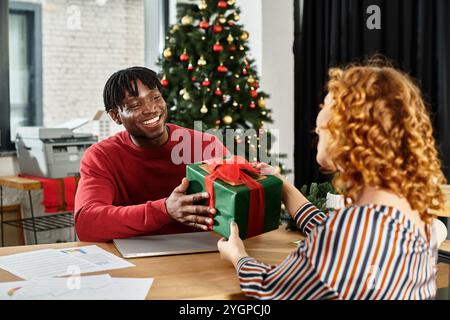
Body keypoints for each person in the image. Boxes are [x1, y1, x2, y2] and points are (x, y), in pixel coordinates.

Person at [218, 62, 447, 300]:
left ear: (352, 128)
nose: (319, 116)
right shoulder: (411, 213)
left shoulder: (349, 232)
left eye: (327, 104)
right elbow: (336, 238)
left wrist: (238, 256)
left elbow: (270, 287)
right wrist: (282, 184)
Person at [74, 67, 229, 242]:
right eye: (134, 105)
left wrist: (258, 181)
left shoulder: (204, 145)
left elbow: (236, 203)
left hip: (205, 251)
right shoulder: (101, 156)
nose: (150, 109)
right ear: (116, 116)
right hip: (134, 258)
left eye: (155, 98)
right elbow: (87, 223)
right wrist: (164, 210)